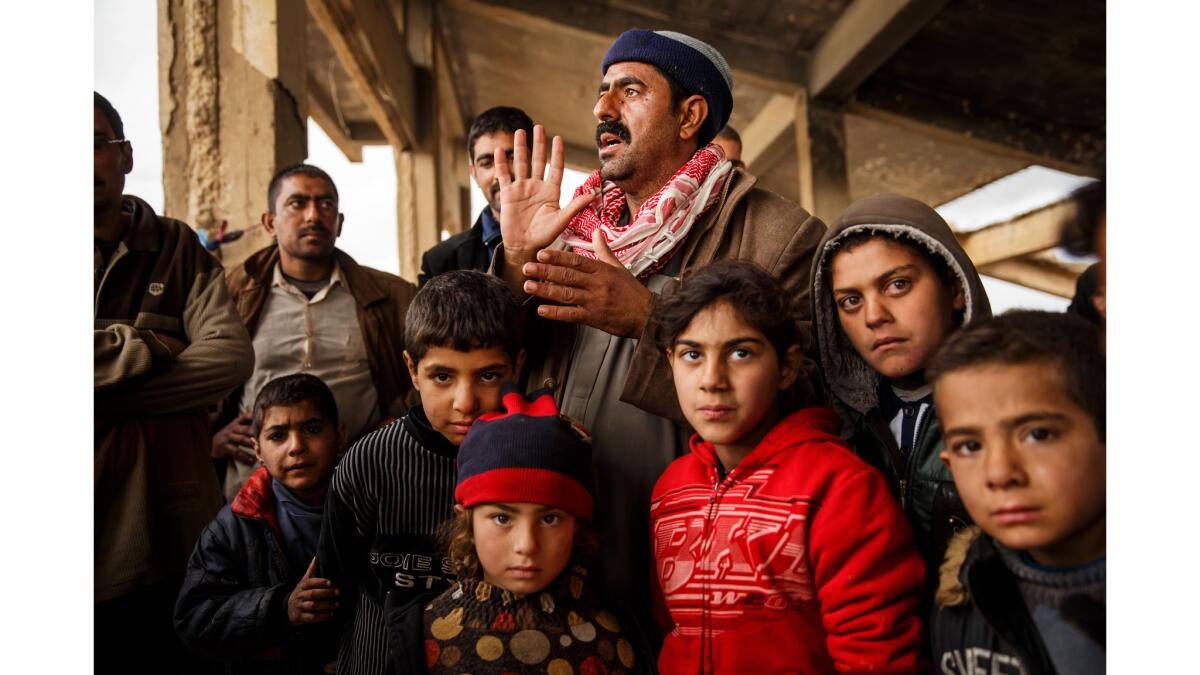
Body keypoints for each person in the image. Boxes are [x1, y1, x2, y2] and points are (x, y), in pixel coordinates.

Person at [491, 28, 827, 623]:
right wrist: (517, 261)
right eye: (601, 91)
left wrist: (651, 314)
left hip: (693, 554)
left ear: (690, 114)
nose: (602, 109)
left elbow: (809, 397)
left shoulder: (781, 234)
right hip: (560, 542)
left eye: (630, 90)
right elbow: (505, 362)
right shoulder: (574, 220)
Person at [648, 260, 927, 674]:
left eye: (740, 353)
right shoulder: (671, 489)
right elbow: (669, 625)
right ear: (670, 361)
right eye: (692, 354)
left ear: (787, 366)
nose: (712, 379)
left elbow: (877, 655)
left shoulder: (839, 486)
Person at [94, 91, 255, 671]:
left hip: (167, 537)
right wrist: (151, 345)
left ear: (126, 155)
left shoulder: (176, 247)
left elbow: (231, 359)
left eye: (94, 145)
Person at [315, 271, 525, 675]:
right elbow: (332, 589)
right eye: (442, 376)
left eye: (488, 375)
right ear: (412, 369)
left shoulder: (531, 465)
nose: (465, 402)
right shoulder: (369, 463)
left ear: (517, 366)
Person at [386, 387, 651, 673]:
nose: (526, 545)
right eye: (502, 518)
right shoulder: (421, 638)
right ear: (467, 522)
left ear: (577, 526)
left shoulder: (613, 640)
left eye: (549, 519)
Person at [809, 192, 991, 577]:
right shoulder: (836, 435)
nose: (874, 316)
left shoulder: (1019, 411)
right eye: (850, 301)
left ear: (955, 288)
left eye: (897, 285)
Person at [217, 163, 417, 501]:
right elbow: (190, 369)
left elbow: (432, 369)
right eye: (298, 203)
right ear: (270, 222)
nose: (313, 215)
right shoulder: (231, 291)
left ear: (338, 223)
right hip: (254, 493)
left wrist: (397, 421)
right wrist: (209, 437)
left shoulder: (391, 296)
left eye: (326, 205)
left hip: (362, 485)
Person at [928, 311, 1105, 675]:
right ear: (949, 463)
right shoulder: (962, 587)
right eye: (970, 446)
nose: (999, 473)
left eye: (1038, 435)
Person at [175, 374, 345, 674]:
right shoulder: (232, 526)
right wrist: (282, 608)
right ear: (257, 450)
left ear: (340, 435)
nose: (296, 447)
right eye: (278, 435)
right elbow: (194, 619)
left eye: (313, 429)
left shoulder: (368, 509)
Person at [418, 106, 534, 286]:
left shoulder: (575, 242)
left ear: (535, 160)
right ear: (474, 174)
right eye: (487, 163)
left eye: (511, 158)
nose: (499, 173)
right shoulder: (441, 263)